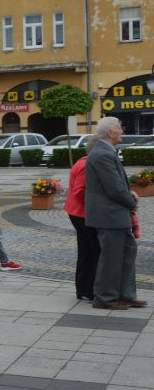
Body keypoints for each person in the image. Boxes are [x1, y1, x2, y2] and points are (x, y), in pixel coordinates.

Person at [85, 117, 143, 311]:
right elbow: (115, 189)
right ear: (110, 132)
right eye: (120, 128)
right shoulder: (102, 153)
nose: (122, 132)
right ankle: (105, 298)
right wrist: (131, 202)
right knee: (111, 258)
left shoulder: (106, 151)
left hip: (115, 215)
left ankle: (125, 295)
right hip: (109, 216)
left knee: (127, 252)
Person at [65, 138, 100, 301]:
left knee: (86, 251)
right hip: (81, 213)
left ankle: (83, 289)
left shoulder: (82, 162)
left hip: (76, 212)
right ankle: (88, 288)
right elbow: (79, 191)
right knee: (93, 251)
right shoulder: (87, 165)